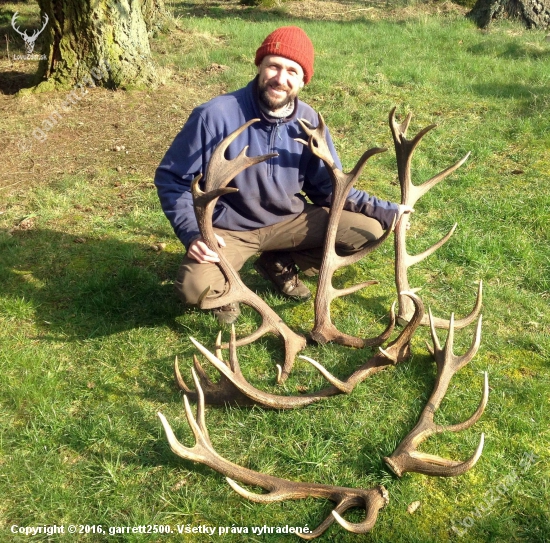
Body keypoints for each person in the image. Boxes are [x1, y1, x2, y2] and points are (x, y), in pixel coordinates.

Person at [155, 26, 412, 324]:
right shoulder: (214, 115)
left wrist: (389, 211)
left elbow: (330, 189)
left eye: (292, 71)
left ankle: (280, 262)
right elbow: (172, 179)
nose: (281, 78)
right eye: (273, 66)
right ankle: (224, 290)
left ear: (303, 80)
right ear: (259, 66)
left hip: (289, 221)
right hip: (229, 230)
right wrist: (193, 232)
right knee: (194, 288)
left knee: (370, 230)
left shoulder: (309, 121)